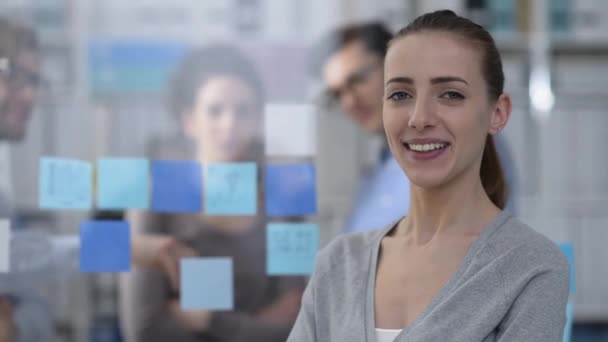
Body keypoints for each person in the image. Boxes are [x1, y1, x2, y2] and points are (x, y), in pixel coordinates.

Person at [288, 10, 569, 342]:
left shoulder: (530, 269)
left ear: (497, 113)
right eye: (400, 95)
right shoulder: (338, 264)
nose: (419, 118)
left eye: (451, 94)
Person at [119, 44, 305, 342]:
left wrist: (208, 321)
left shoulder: (283, 199)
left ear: (257, 119)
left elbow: (297, 325)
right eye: (215, 110)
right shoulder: (154, 197)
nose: (229, 124)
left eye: (243, 111)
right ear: (189, 120)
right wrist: (255, 327)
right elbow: (144, 330)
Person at [310, 22, 410, 233]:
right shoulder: (373, 179)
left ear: (396, 63)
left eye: (357, 79)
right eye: (337, 94)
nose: (349, 102)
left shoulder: (453, 150)